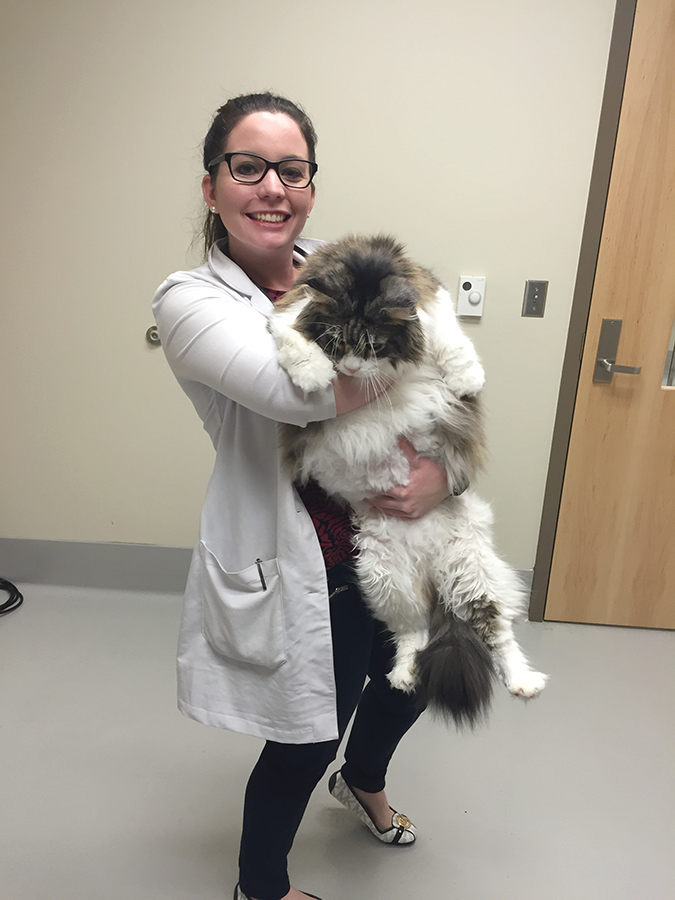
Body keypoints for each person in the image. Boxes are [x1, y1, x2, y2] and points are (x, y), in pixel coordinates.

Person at [152, 92, 450, 900]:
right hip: (306, 553)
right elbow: (300, 393)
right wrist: (409, 348)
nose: (272, 188)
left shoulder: (333, 264)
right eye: (247, 167)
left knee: (421, 671)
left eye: (291, 170)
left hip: (389, 526)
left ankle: (363, 779)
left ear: (311, 185)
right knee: (307, 733)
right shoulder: (189, 300)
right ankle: (260, 885)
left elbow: (440, 373)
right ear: (211, 186)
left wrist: (439, 472)